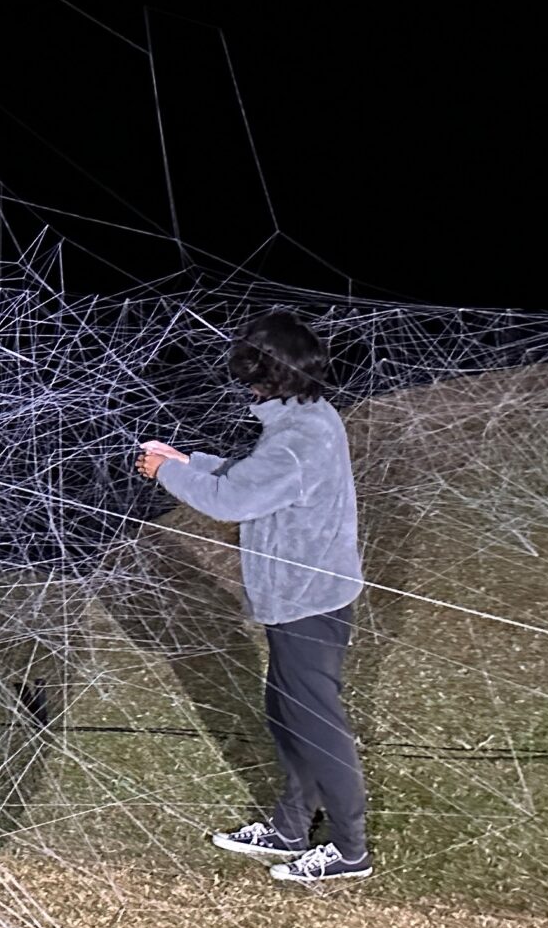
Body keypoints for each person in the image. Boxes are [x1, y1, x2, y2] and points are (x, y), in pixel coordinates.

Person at [140, 311, 374, 884]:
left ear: (263, 372)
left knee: (315, 722)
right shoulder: (307, 421)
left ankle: (350, 851)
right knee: (289, 715)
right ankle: (290, 827)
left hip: (308, 601)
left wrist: (165, 475)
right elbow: (252, 479)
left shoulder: (297, 439)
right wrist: (187, 462)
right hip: (302, 598)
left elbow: (233, 502)